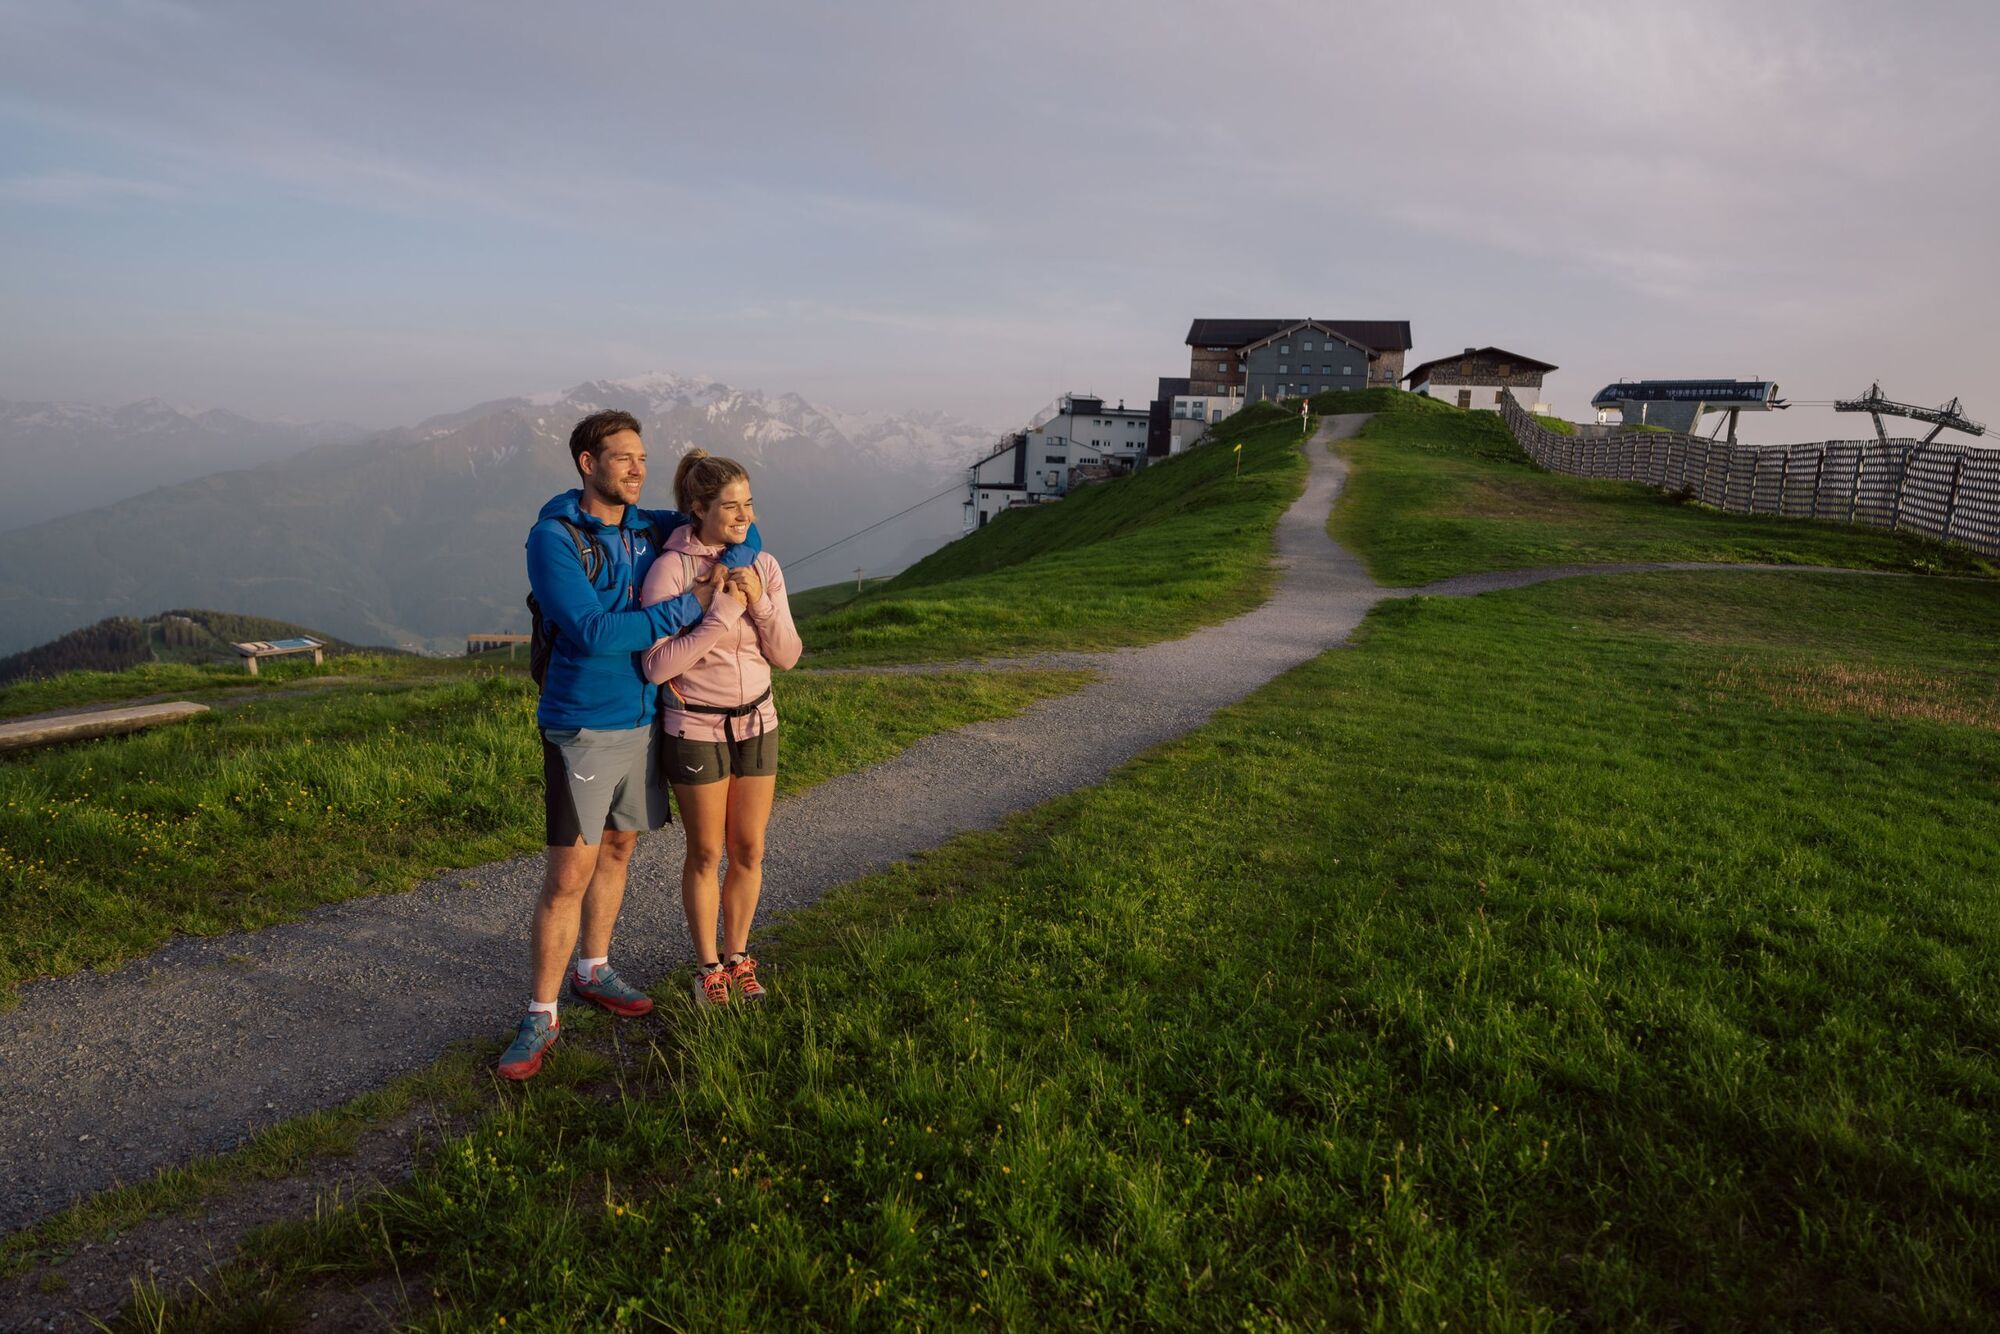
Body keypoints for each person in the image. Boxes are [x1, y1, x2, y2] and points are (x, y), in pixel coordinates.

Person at [498, 412, 760, 1081]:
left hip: (647, 720)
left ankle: (594, 968)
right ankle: (540, 1013)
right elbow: (591, 632)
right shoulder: (553, 538)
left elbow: (742, 529)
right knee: (568, 875)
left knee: (619, 849)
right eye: (623, 458)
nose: (639, 469)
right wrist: (692, 604)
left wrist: (728, 561)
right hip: (583, 726)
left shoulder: (649, 527)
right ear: (588, 464)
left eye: (642, 457)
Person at [640, 449, 801, 1007]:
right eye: (731, 506)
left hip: (758, 720)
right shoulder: (671, 570)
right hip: (695, 727)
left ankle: (739, 957)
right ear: (698, 507)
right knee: (707, 852)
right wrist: (722, 613)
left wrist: (759, 605)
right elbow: (656, 666)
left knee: (749, 849)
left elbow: (788, 656)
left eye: (749, 504)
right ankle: (707, 968)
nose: (744, 516)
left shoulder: (765, 566)